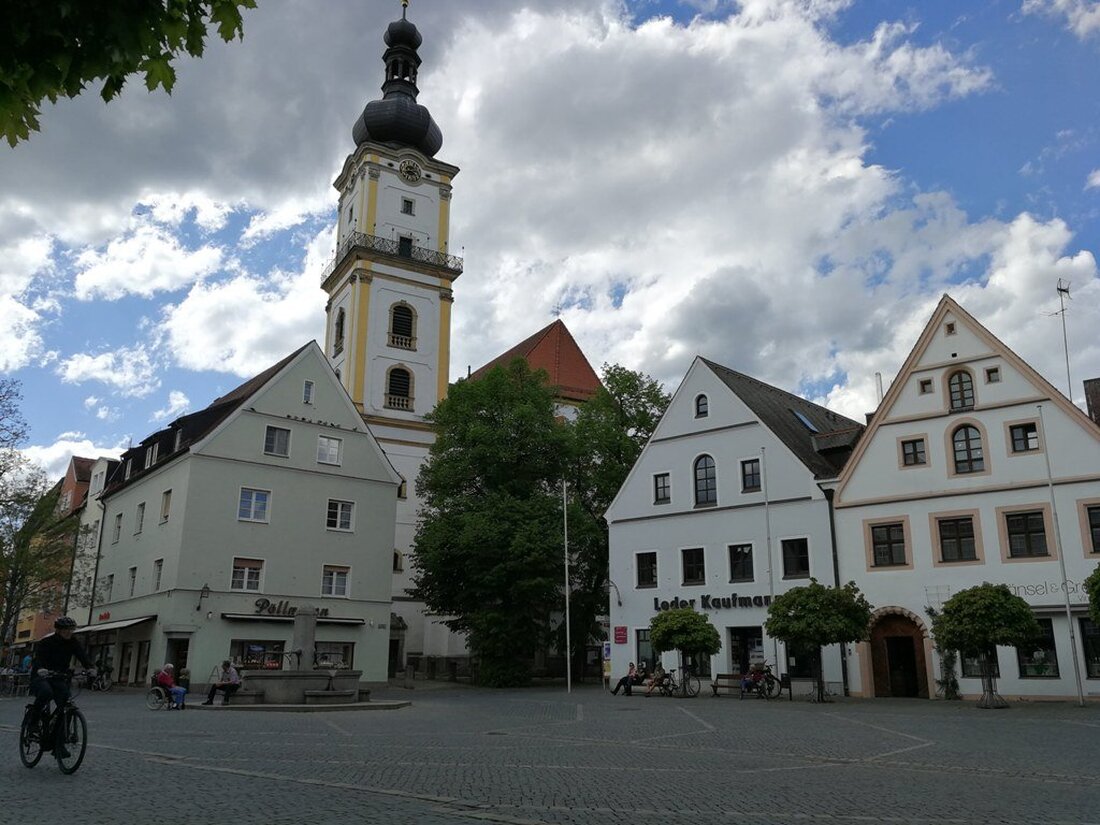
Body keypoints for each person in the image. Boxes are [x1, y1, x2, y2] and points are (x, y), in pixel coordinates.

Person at [29, 616, 95, 758]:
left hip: (59, 677)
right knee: (46, 693)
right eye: (66, 630)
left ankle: (59, 745)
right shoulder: (47, 642)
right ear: (58, 630)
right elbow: (38, 659)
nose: (69, 632)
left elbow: (82, 655)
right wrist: (40, 668)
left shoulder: (73, 642)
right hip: (41, 676)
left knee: (66, 706)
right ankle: (33, 723)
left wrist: (90, 668)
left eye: (71, 630)